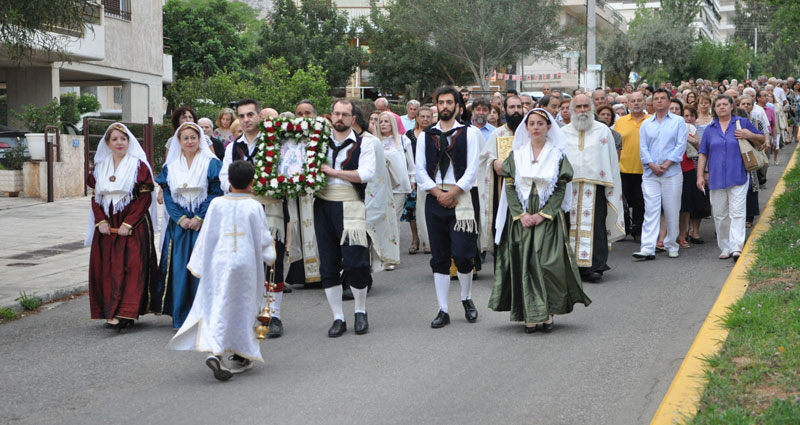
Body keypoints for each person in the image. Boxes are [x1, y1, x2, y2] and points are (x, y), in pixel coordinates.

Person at [168, 160, 277, 381]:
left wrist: (199, 263)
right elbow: (264, 239)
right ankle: (240, 355)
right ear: (252, 182)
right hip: (245, 265)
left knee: (219, 304)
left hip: (220, 263)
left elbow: (207, 235)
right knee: (244, 307)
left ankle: (215, 350)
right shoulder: (254, 206)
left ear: (228, 181)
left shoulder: (217, 204)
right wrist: (271, 254)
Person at [488, 108, 591, 332]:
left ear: (548, 127)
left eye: (540, 124)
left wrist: (544, 214)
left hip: (547, 216)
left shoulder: (557, 154)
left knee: (547, 263)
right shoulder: (517, 154)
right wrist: (521, 214)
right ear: (526, 128)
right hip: (522, 217)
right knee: (525, 263)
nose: (535, 127)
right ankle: (529, 314)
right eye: (531, 123)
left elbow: (560, 188)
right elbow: (510, 187)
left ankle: (549, 311)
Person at [416, 86, 482, 329]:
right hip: (435, 198)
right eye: (441, 102)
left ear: (457, 106)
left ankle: (466, 298)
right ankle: (443, 308)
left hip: (461, 197)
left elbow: (473, 168)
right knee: (440, 256)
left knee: (464, 254)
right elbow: (420, 170)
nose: (444, 106)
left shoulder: (470, 133)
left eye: (449, 102)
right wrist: (438, 194)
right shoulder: (426, 135)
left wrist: (453, 192)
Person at [85, 123, 159, 331]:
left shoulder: (139, 166)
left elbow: (144, 199)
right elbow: (95, 198)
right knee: (108, 268)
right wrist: (100, 221)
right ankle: (110, 310)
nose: (119, 143)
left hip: (132, 224)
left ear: (129, 142)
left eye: (123, 139)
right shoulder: (100, 167)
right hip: (108, 225)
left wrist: (129, 222)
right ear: (107, 143)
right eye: (115, 139)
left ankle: (127, 312)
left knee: (131, 267)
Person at [152, 122, 223, 328]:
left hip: (203, 223)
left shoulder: (211, 163)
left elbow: (216, 191)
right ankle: (182, 315)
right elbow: (168, 195)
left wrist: (200, 217)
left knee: (204, 267)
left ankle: (206, 315)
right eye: (186, 138)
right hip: (180, 226)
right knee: (181, 268)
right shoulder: (171, 166)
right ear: (179, 142)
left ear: (200, 139)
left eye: (193, 137)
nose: (190, 141)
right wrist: (180, 218)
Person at [316, 99, 376, 337]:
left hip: (350, 204)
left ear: (353, 119)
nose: (340, 118)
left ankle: (360, 310)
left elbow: (366, 173)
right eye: (336, 113)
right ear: (331, 116)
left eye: (345, 114)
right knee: (328, 264)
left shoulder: (365, 143)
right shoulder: (318, 144)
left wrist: (333, 172)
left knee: (356, 262)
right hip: (322, 205)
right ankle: (337, 317)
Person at [562, 96, 625, 282]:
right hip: (569, 187)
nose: (582, 110)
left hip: (596, 186)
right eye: (578, 106)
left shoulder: (602, 130)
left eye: (585, 106)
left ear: (591, 108)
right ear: (573, 109)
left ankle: (595, 266)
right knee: (568, 227)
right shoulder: (563, 132)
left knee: (596, 226)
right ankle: (571, 267)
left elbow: (611, 161)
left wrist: (611, 185)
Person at [697, 95, 765, 261]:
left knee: (737, 212)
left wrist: (749, 134)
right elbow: (703, 153)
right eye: (718, 105)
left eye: (725, 104)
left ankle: (736, 247)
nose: (721, 107)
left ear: (731, 106)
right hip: (716, 177)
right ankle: (725, 246)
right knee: (720, 214)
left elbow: (762, 139)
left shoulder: (742, 123)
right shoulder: (710, 129)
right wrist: (700, 175)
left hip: (739, 174)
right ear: (714, 109)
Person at [632, 88, 686, 260]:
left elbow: (680, 145)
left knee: (671, 210)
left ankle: (671, 244)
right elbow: (643, 147)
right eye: (656, 99)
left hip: (672, 173)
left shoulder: (678, 121)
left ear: (669, 101)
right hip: (650, 173)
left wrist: (666, 164)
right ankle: (647, 247)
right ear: (652, 102)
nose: (660, 101)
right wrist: (653, 165)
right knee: (651, 210)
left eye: (663, 98)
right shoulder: (647, 123)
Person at [477, 95, 525, 256]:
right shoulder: (498, 133)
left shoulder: (531, 131)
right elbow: (484, 158)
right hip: (502, 190)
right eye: (512, 107)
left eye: (519, 107)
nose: (516, 111)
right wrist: (494, 162)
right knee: (502, 227)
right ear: (505, 110)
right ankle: (501, 268)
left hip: (526, 192)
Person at [614, 91, 649, 241]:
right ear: (627, 104)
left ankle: (638, 231)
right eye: (633, 101)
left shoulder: (651, 120)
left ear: (644, 102)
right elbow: (614, 144)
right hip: (623, 168)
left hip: (645, 169)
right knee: (622, 202)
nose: (636, 103)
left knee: (641, 202)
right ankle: (624, 229)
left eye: (639, 100)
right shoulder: (620, 122)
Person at [378, 111, 414, 255]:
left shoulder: (403, 140)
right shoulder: (375, 141)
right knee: (382, 219)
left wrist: (413, 179)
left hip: (399, 185)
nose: (383, 124)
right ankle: (381, 251)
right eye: (381, 122)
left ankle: (392, 253)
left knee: (394, 219)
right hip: (381, 186)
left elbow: (411, 163)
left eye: (386, 121)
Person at [403, 105, 432, 255]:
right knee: (412, 208)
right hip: (413, 176)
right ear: (417, 117)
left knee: (427, 208)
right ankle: (415, 239)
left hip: (430, 176)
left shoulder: (435, 133)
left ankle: (428, 239)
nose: (425, 119)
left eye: (428, 116)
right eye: (422, 116)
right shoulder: (408, 135)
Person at [678, 104, 708, 246]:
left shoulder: (691, 129)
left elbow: (701, 148)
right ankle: (676, 234)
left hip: (694, 168)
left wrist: (705, 171)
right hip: (675, 170)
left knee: (694, 203)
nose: (688, 118)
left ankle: (691, 232)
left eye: (691, 116)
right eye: (686, 115)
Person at [738, 95, 766, 228]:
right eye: (743, 103)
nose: (746, 106)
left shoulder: (755, 122)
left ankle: (749, 217)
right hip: (738, 160)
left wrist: (750, 137)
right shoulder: (736, 121)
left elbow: (762, 139)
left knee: (751, 188)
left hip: (752, 159)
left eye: (748, 104)